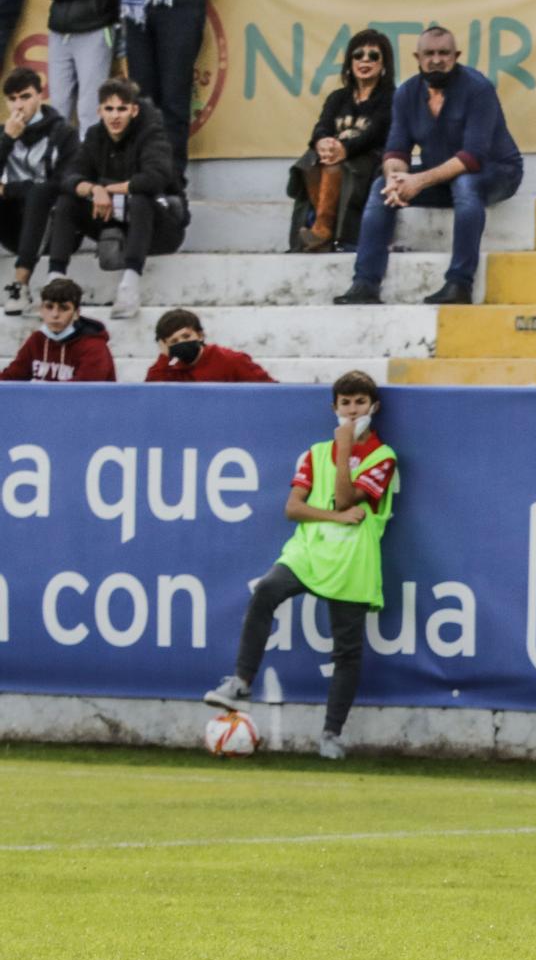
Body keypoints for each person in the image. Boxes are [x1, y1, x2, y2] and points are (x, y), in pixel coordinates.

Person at [204, 371, 397, 761]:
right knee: (266, 591)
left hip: (351, 561)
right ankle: (241, 681)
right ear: (334, 408)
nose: (352, 410)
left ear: (373, 407)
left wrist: (344, 451)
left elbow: (344, 499)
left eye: (360, 403)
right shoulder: (314, 452)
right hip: (308, 551)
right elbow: (293, 508)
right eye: (345, 403)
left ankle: (331, 734)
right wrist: (333, 518)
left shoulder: (383, 457)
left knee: (347, 650)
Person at [334, 26, 523, 308]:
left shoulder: (478, 88)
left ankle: (459, 283)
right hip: (444, 177)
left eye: (444, 53)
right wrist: (396, 179)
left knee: (466, 183)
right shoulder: (406, 93)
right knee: (380, 188)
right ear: (417, 57)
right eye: (430, 53)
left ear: (456, 56)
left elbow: (472, 157)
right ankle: (365, 283)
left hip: (496, 173)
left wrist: (419, 181)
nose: (437, 60)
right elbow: (397, 149)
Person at [46, 78, 188, 320]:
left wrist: (106, 189)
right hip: (114, 219)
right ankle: (54, 282)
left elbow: (155, 178)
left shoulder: (152, 132)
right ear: (99, 111)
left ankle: (129, 287)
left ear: (134, 110)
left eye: (122, 108)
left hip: (161, 227)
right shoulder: (94, 135)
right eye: (109, 109)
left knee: (140, 198)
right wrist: (93, 190)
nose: (115, 116)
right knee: (68, 201)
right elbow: (70, 176)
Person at [288, 28, 393, 253]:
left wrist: (344, 149)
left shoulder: (390, 97)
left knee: (334, 165)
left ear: (384, 64)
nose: (365, 60)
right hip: (335, 155)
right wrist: (322, 142)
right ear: (349, 62)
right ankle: (320, 233)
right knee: (309, 161)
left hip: (369, 158)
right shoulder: (338, 97)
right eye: (358, 55)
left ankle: (323, 230)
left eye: (373, 56)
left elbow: (374, 133)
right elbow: (322, 125)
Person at [0, 69, 79, 315]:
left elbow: (64, 183)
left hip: (57, 229)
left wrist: (12, 189)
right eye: (12, 99)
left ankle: (20, 284)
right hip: (15, 228)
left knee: (41, 191)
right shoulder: (4, 133)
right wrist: (7, 139)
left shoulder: (63, 132)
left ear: (39, 96)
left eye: (25, 97)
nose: (19, 105)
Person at [120, 0, 206, 187]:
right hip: (137, 8)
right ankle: (144, 178)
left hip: (180, 7)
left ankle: (171, 183)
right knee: (142, 103)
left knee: (174, 99)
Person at [0, 275, 112, 380]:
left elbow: (85, 393)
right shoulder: (37, 340)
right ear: (41, 310)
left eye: (64, 308)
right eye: (49, 307)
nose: (55, 315)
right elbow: (11, 376)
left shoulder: (94, 346)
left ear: (76, 313)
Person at [143, 308, 275, 382]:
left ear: (200, 335)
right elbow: (152, 397)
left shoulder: (231, 360)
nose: (181, 343)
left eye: (186, 336)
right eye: (174, 341)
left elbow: (271, 392)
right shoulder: (171, 371)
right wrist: (164, 357)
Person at [46, 0, 116, 133]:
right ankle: (57, 152)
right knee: (58, 104)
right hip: (58, 29)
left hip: (95, 26)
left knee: (90, 107)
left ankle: (89, 152)